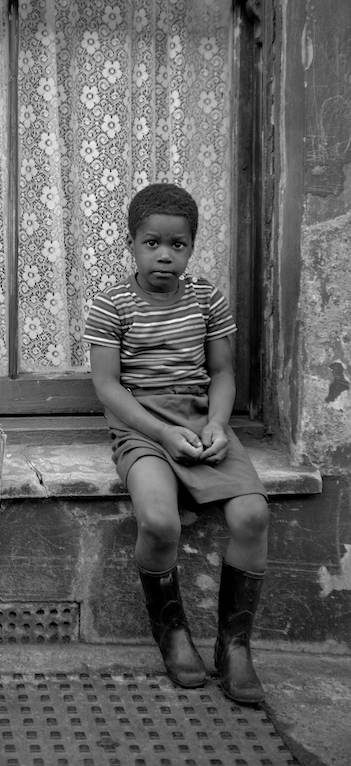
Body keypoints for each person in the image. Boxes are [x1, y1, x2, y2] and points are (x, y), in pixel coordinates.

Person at [84, 182, 269, 704]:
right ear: (131, 243)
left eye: (178, 245)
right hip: (141, 425)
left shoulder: (206, 297)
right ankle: (173, 632)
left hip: (199, 416)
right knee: (160, 521)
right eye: (151, 243)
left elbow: (223, 371)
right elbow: (107, 386)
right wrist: (162, 432)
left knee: (252, 516)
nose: (165, 255)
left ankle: (234, 647)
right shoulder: (110, 304)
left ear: (190, 246)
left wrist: (216, 424)